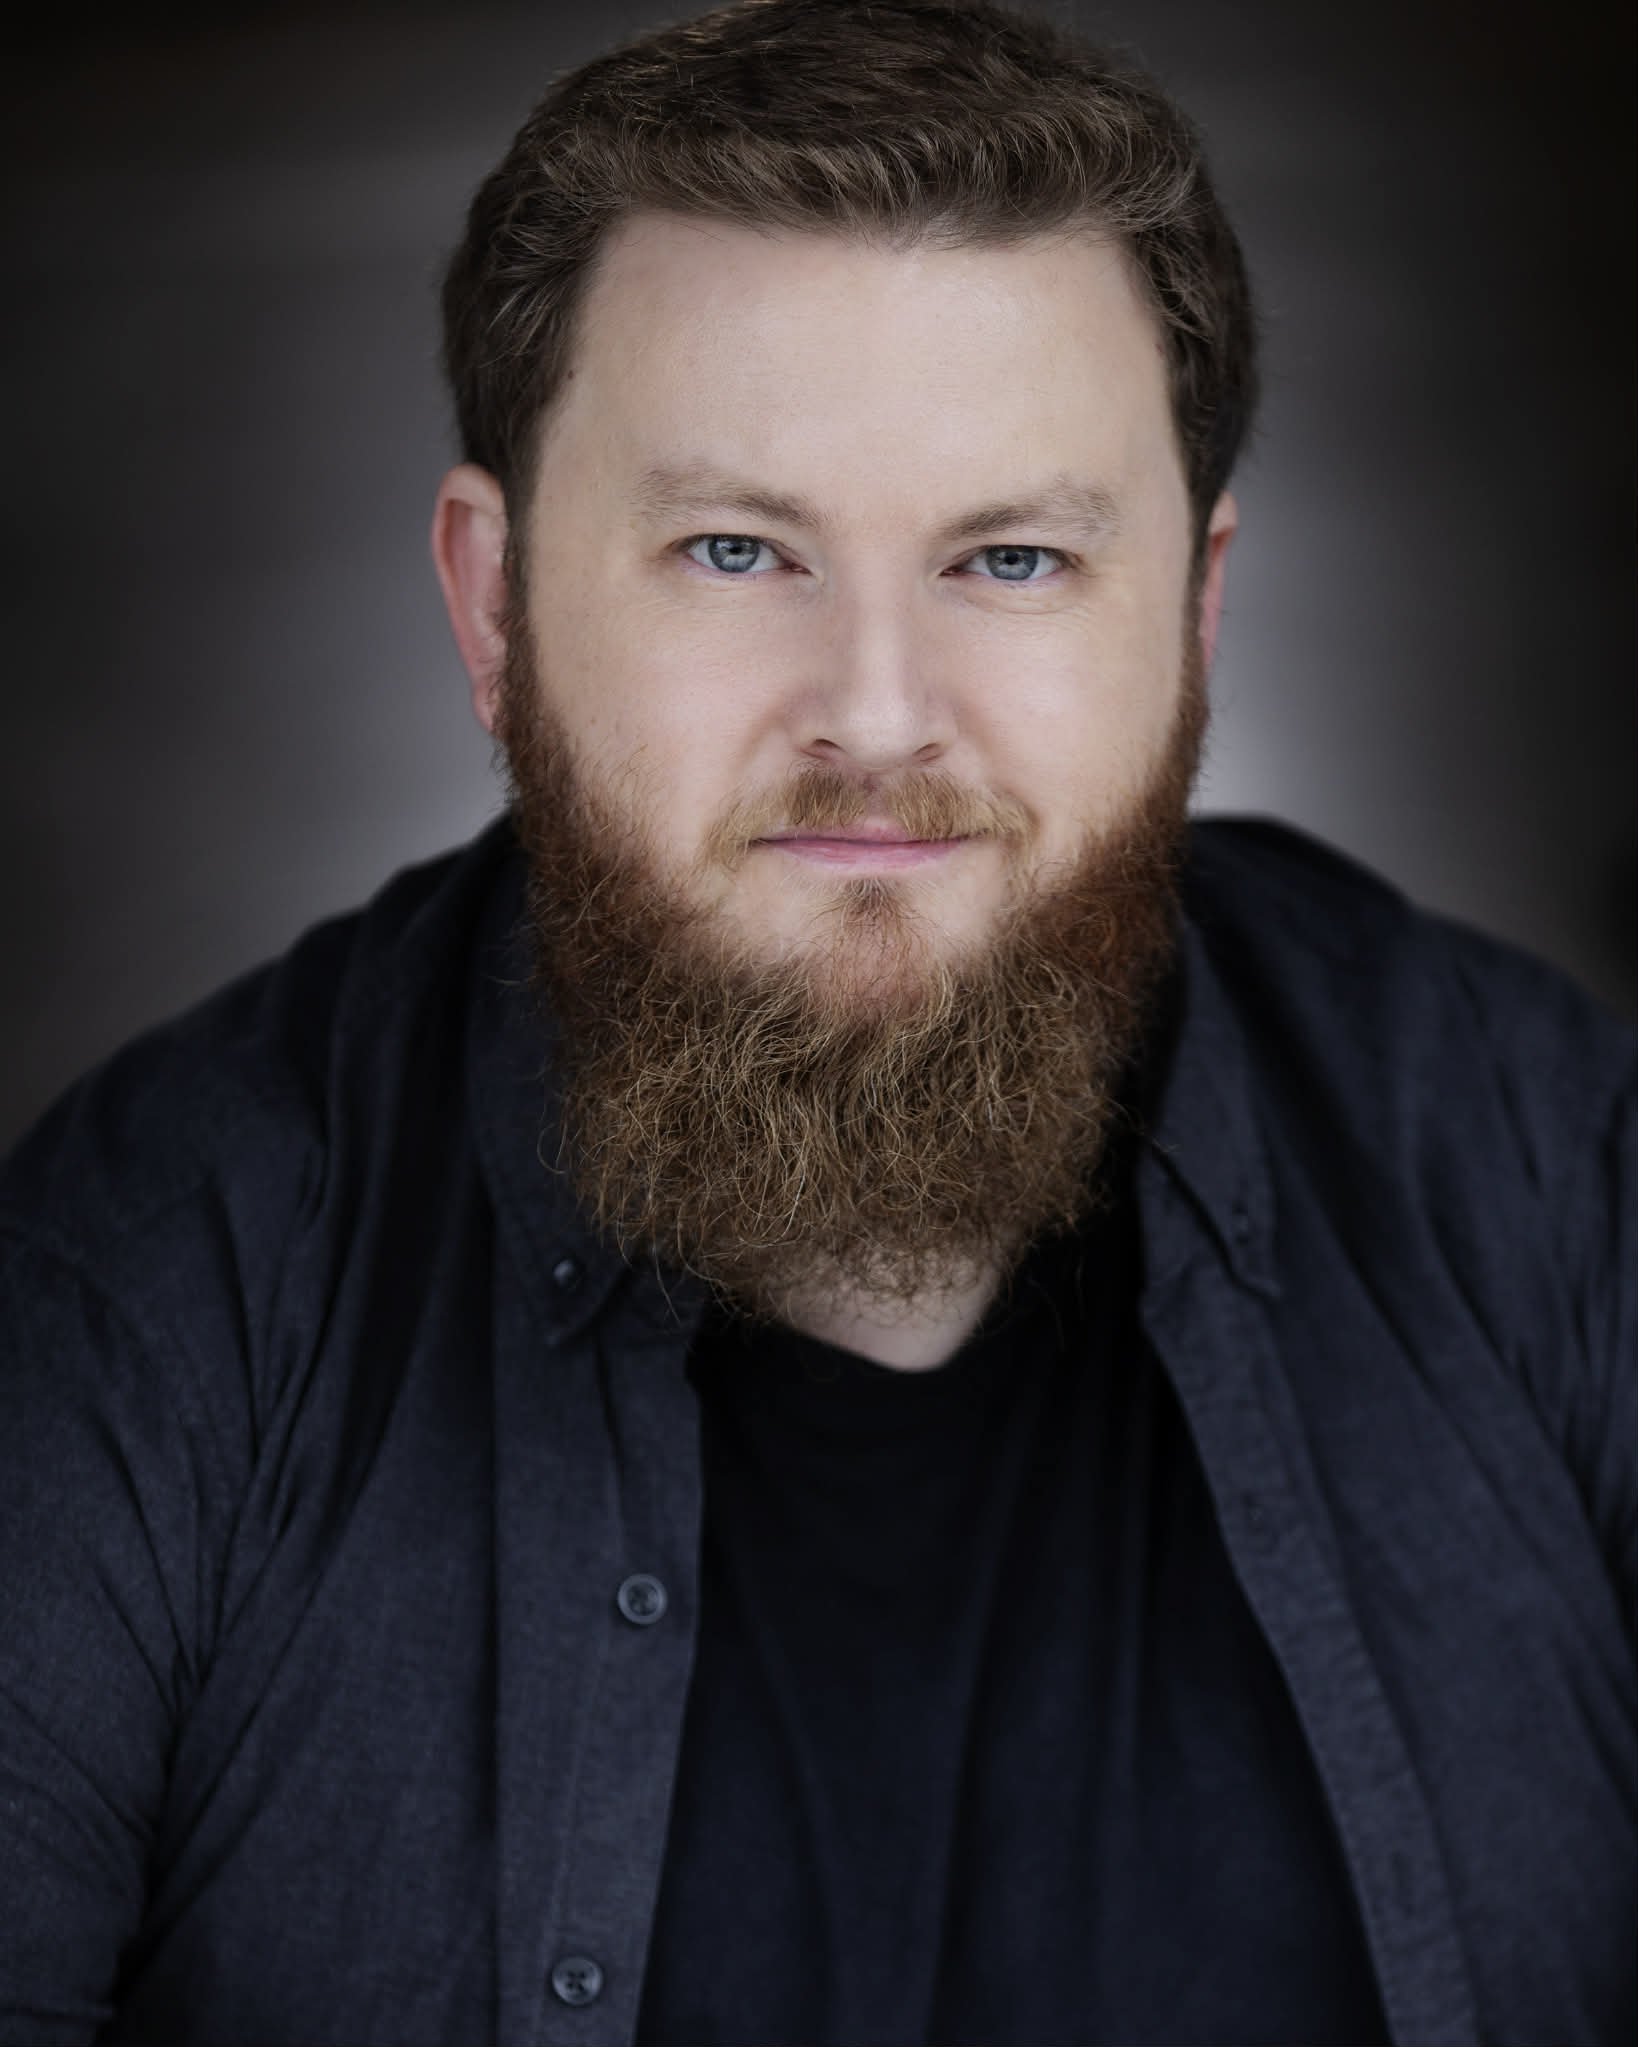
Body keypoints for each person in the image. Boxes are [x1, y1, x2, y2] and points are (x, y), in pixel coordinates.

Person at [0, 0, 1631, 2041]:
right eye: (735, 547)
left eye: (1014, 557)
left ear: (1199, 617)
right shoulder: (141, 1296)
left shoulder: (1544, 1162)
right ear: (491, 606)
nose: (874, 710)